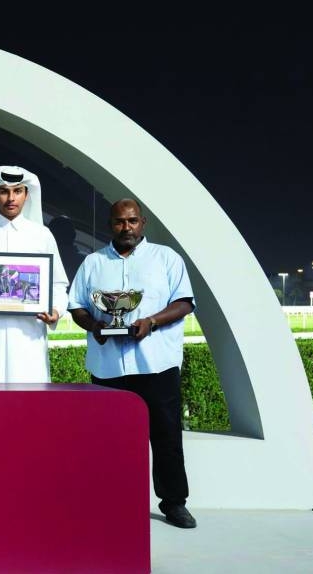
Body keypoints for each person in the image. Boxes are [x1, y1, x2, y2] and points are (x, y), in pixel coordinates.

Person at [68, 198, 197, 529]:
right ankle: (110, 499)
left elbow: (183, 302)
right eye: (119, 222)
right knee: (108, 440)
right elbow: (78, 306)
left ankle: (173, 502)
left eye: (132, 221)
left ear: (143, 222)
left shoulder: (166, 259)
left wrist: (151, 321)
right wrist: (95, 325)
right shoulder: (93, 263)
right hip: (109, 367)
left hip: (156, 365)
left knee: (166, 437)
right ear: (110, 224)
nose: (126, 228)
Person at [0, 166, 69, 383]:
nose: (11, 198)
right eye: (4, 191)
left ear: (27, 195)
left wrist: (55, 310)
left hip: (30, 336)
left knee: (30, 405)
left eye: (17, 191)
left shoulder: (42, 235)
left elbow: (57, 283)